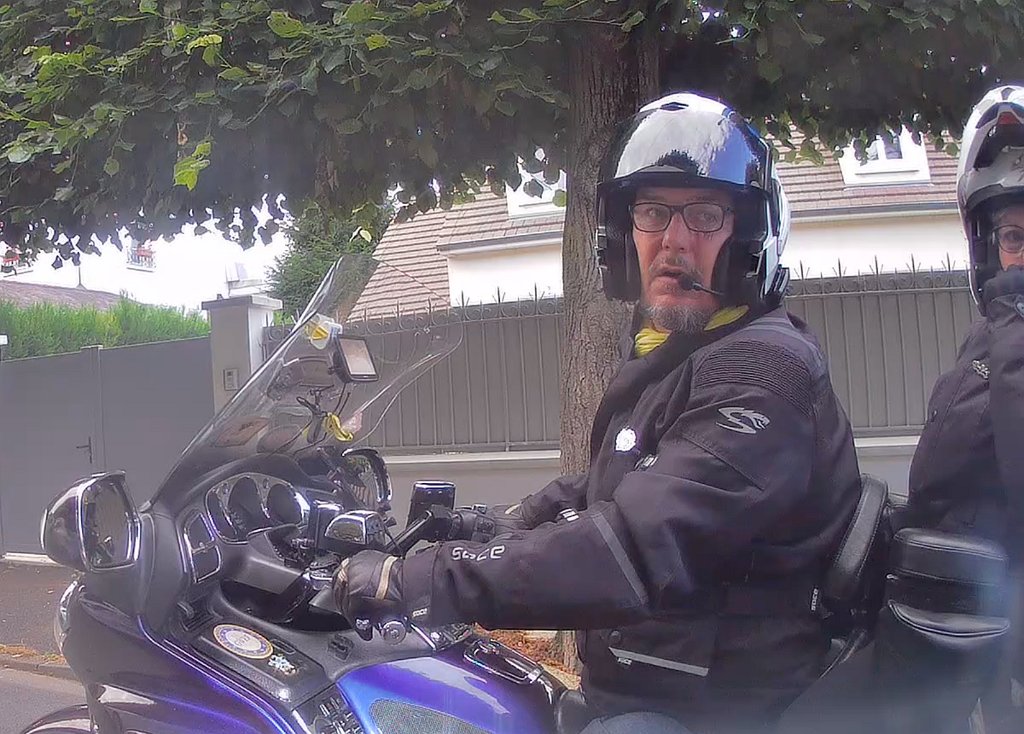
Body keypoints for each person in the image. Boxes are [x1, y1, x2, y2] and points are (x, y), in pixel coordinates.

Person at [334, 92, 862, 734]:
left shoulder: (761, 369)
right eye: (652, 212)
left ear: (750, 235)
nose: (672, 241)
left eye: (704, 215)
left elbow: (633, 546)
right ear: (623, 231)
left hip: (720, 712)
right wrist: (495, 522)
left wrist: (415, 580)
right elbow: (609, 486)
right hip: (654, 686)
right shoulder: (683, 352)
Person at [904, 84, 1024, 732]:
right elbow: (940, 480)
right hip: (960, 642)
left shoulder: (1010, 331)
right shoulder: (991, 334)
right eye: (1014, 236)